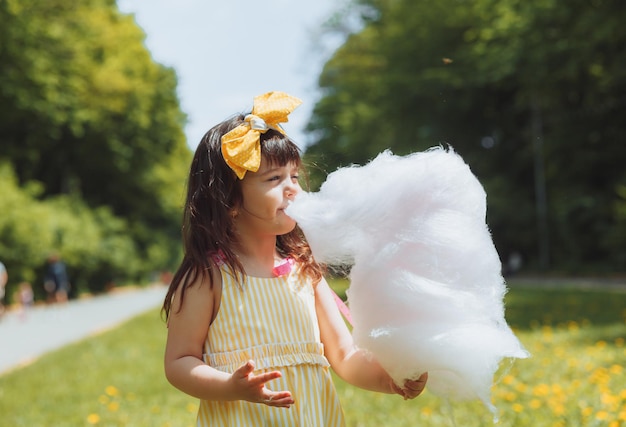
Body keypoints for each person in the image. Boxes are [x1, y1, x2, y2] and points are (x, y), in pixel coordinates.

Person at [163, 91, 428, 426]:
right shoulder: (209, 277)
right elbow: (179, 361)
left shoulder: (305, 272)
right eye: (274, 179)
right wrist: (230, 385)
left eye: (293, 175)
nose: (293, 189)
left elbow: (345, 356)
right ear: (228, 201)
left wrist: (390, 378)